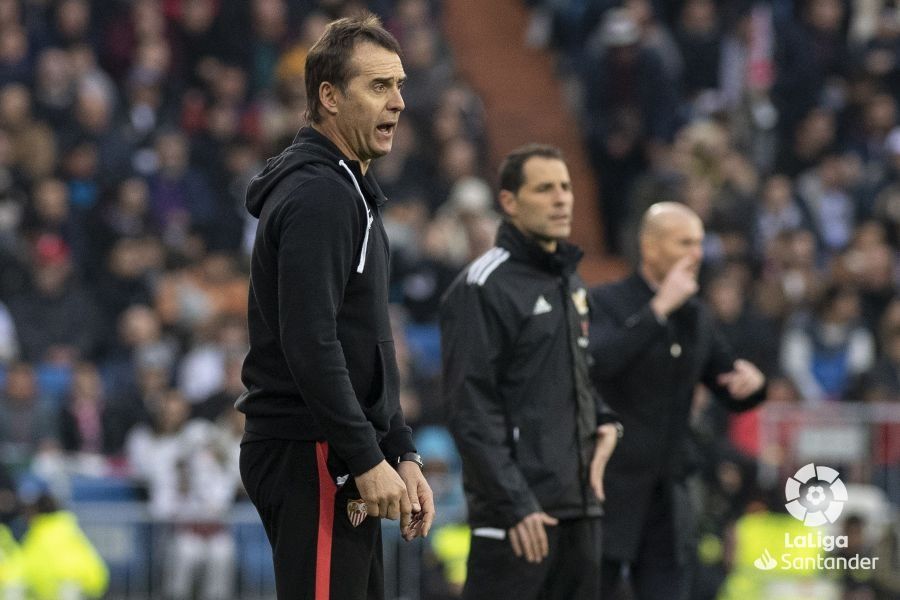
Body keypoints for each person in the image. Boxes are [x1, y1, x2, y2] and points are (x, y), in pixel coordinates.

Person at [236, 13, 434, 600]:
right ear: (327, 96)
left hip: (337, 451)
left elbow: (367, 340)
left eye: (400, 85)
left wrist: (399, 450)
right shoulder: (321, 194)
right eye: (378, 86)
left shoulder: (348, 189)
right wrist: (363, 454)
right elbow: (311, 342)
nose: (398, 102)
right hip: (314, 452)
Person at [440, 144, 621, 599]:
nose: (562, 199)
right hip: (519, 518)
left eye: (565, 187)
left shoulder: (569, 280)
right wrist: (515, 505)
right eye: (545, 189)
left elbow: (571, 378)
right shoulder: (482, 286)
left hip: (580, 510)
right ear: (509, 202)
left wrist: (604, 421)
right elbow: (471, 410)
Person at [588, 202, 767, 600]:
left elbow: (727, 384)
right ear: (650, 248)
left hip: (668, 491)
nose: (697, 254)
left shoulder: (695, 316)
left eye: (700, 243)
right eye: (684, 242)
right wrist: (658, 309)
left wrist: (753, 384)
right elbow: (597, 364)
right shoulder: (606, 301)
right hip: (610, 488)